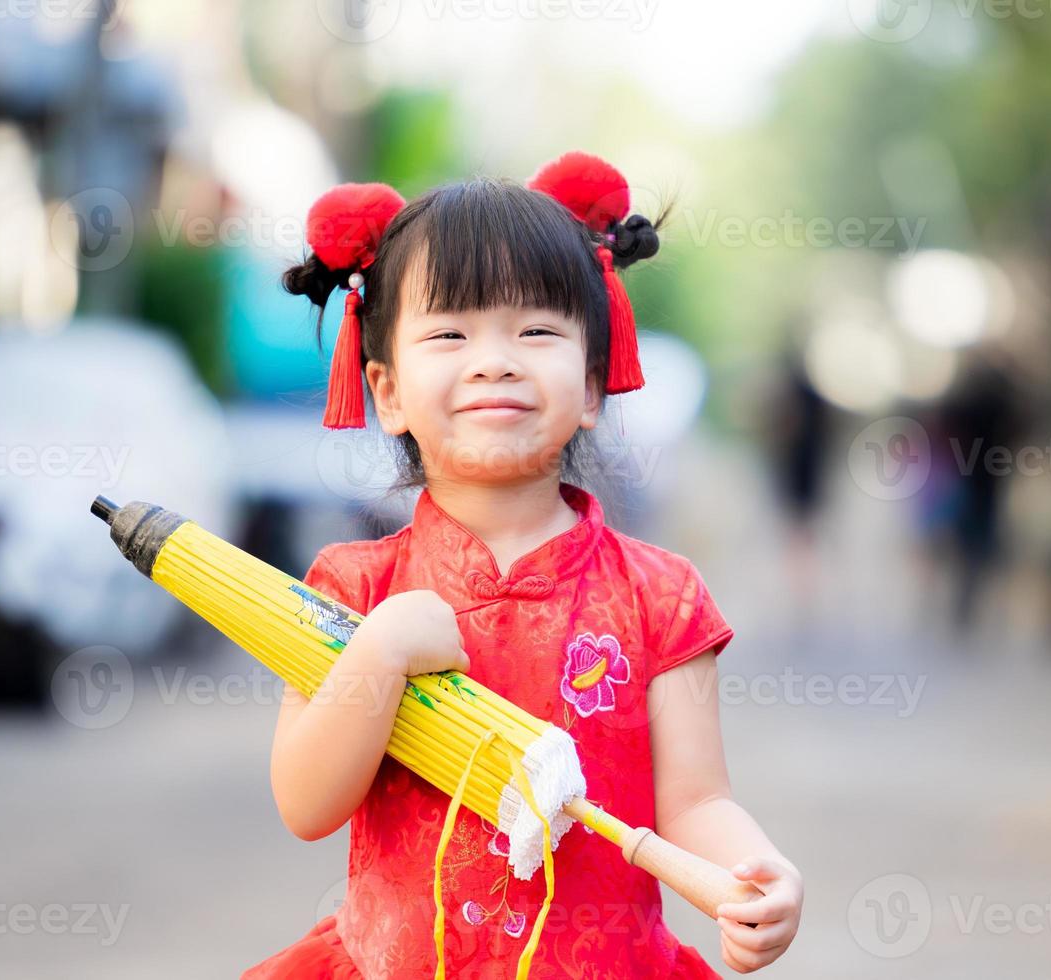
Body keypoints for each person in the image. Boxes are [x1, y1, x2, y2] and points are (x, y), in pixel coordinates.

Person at [243, 152, 802, 979]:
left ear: (594, 383)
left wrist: (755, 874)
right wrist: (381, 649)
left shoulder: (660, 596)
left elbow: (696, 801)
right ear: (386, 389)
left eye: (537, 331)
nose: (495, 359)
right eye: (450, 333)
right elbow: (306, 801)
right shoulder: (354, 589)